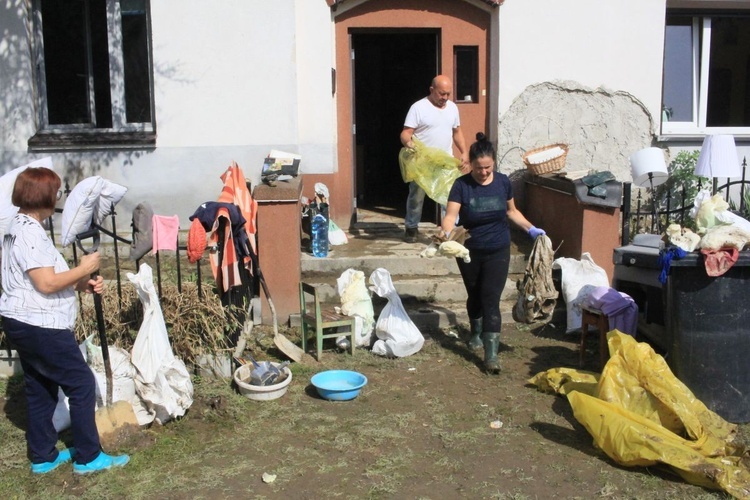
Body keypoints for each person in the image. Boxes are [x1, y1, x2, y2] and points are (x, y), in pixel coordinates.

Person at [0, 167, 130, 474]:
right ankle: (88, 457)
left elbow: (34, 278)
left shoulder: (14, 226)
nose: (59, 197)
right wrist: (85, 268)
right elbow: (45, 284)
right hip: (39, 324)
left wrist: (81, 284)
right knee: (81, 383)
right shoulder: (30, 232)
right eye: (57, 192)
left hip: (20, 320)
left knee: (41, 386)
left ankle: (43, 456)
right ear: (44, 197)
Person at [441, 133, 546, 372]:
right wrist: (447, 235)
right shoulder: (461, 186)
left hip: (498, 249)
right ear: (471, 166)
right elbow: (450, 217)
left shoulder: (503, 182)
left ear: (494, 164)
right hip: (468, 251)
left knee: (491, 298)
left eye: (488, 167)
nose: (484, 172)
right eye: (479, 168)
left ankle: (491, 357)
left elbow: (512, 211)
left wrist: (531, 229)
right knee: (475, 295)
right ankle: (475, 333)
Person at [400, 75, 469, 243]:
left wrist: (464, 152)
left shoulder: (452, 108)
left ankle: (449, 232)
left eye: (448, 94)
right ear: (432, 90)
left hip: (445, 161)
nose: (444, 98)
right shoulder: (418, 108)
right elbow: (406, 132)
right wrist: (408, 143)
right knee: (417, 195)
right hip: (422, 163)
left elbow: (457, 132)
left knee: (449, 197)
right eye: (441, 94)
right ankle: (411, 227)